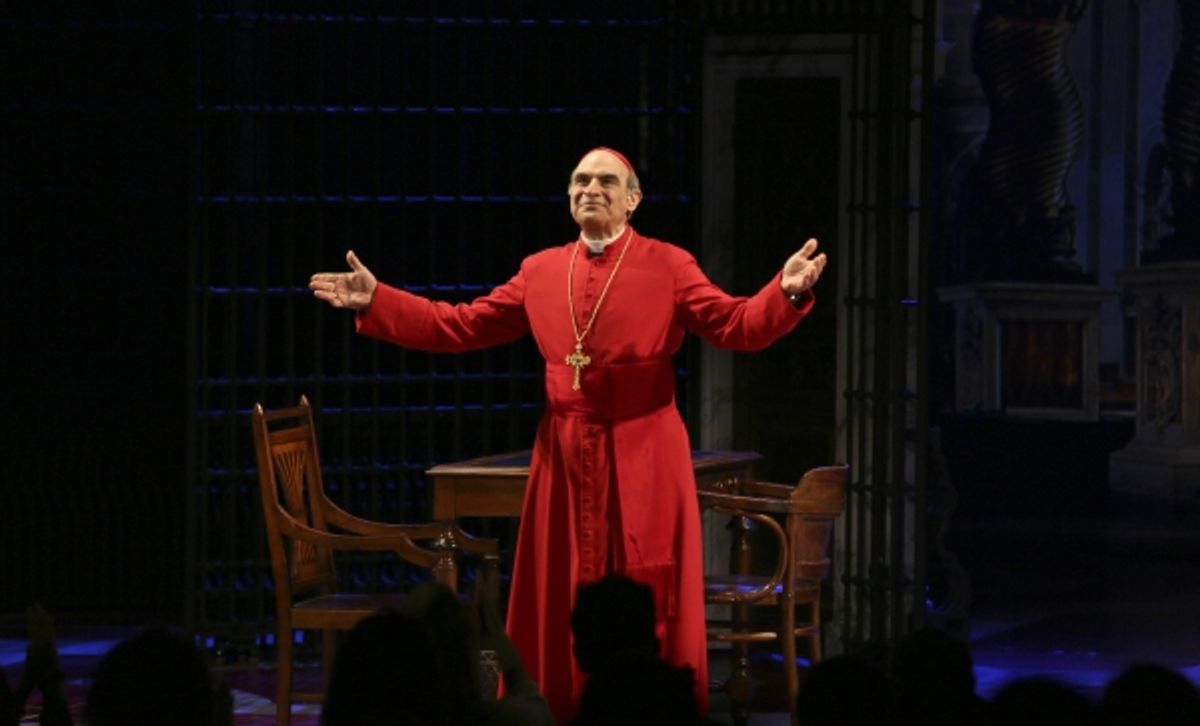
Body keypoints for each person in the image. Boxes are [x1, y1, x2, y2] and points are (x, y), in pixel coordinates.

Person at [310, 146, 827, 721]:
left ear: (633, 200)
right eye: (580, 180)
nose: (591, 189)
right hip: (561, 456)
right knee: (558, 596)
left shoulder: (669, 264)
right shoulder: (541, 270)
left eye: (607, 181)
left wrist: (784, 293)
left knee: (645, 593)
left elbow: (735, 325)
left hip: (645, 453)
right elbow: (459, 325)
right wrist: (379, 301)